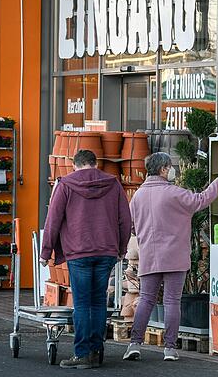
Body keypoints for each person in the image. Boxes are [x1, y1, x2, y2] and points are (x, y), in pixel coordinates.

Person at [122, 152, 218, 362]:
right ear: (163, 169)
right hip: (174, 256)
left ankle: (134, 344)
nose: (172, 170)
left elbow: (132, 226)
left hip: (149, 256)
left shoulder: (138, 196)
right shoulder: (174, 193)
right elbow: (201, 200)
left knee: (146, 299)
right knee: (172, 301)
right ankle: (170, 348)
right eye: (170, 167)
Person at [41, 149, 132, 369]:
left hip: (79, 251)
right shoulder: (113, 184)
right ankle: (96, 351)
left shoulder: (65, 185)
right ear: (95, 164)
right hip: (106, 251)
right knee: (98, 301)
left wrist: (46, 252)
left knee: (82, 304)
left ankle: (82, 353)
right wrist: (120, 249)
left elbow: (53, 220)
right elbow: (125, 219)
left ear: (75, 165)